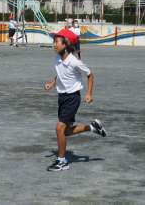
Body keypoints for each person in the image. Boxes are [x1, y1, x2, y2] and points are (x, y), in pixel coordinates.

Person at [44, 29, 106, 172]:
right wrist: (52, 83)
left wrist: (89, 93)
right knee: (65, 132)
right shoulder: (57, 58)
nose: (54, 44)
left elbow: (90, 75)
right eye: (54, 41)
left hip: (73, 98)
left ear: (65, 44)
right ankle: (93, 127)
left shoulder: (75, 61)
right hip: (62, 97)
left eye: (57, 41)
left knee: (59, 128)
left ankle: (62, 161)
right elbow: (60, 74)